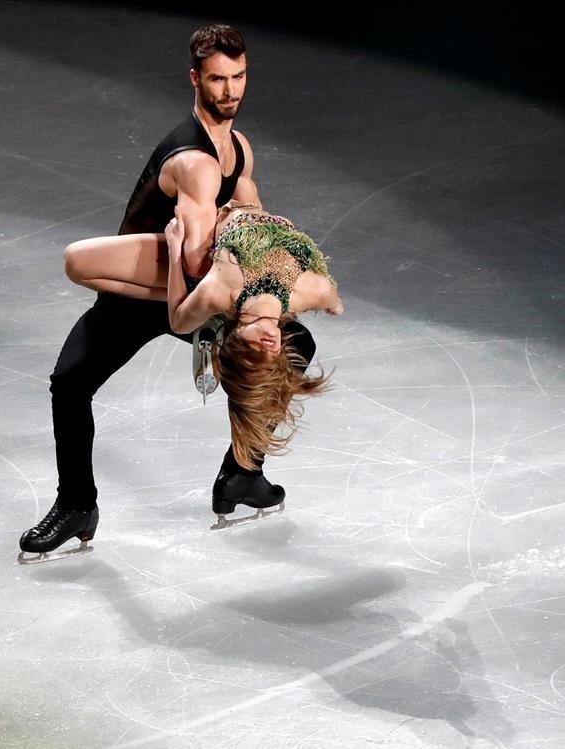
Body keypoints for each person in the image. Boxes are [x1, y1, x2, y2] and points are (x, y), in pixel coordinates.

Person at [18, 24, 318, 563]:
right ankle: (76, 505)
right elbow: (204, 258)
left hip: (195, 293)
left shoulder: (237, 150)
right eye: (217, 80)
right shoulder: (194, 162)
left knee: (295, 344)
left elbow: (253, 225)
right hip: (141, 295)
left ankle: (242, 474)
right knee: (69, 383)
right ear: (194, 80)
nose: (230, 91)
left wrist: (261, 236)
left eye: (239, 77)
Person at [64, 200, 341, 473]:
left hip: (209, 225)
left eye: (251, 352)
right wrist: (334, 305)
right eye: (271, 360)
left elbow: (178, 321)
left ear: (234, 340)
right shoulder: (315, 291)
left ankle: (206, 313)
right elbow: (334, 301)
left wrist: (174, 251)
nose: (265, 348)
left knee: (78, 264)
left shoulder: (218, 291)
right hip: (242, 206)